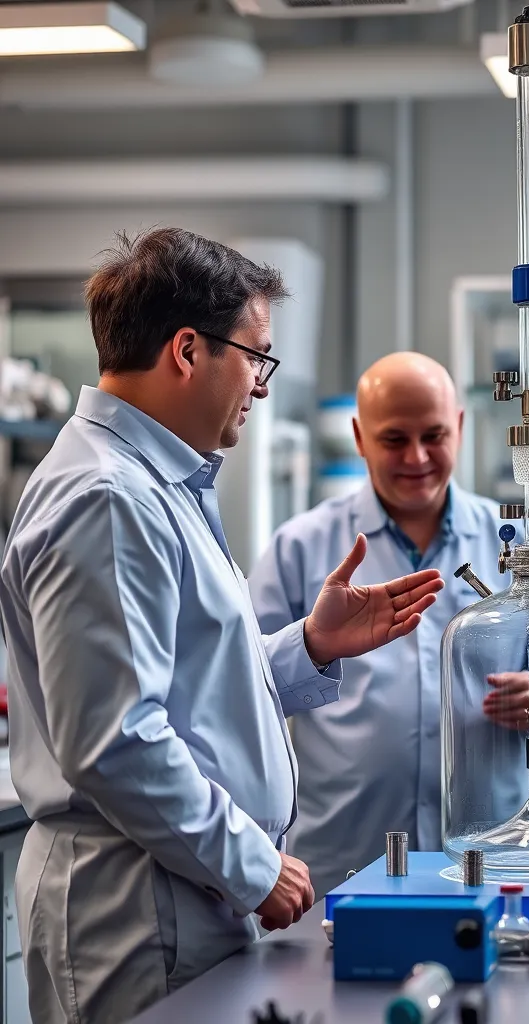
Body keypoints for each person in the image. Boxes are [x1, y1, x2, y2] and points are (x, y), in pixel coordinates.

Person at [0, 228, 444, 1024]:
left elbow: (189, 692)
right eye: (257, 356)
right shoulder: (109, 499)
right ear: (186, 351)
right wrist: (252, 867)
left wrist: (309, 646)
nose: (262, 386)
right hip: (137, 910)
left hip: (177, 890)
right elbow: (117, 740)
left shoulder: (159, 484)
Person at [249, 351, 529, 898]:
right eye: (394, 439)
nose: (417, 457)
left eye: (434, 435)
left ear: (459, 427)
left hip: (491, 849)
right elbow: (247, 684)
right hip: (343, 855)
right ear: (359, 436)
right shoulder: (302, 546)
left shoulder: (513, 540)